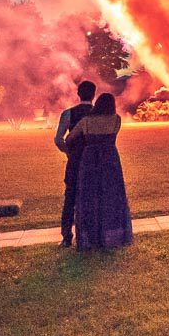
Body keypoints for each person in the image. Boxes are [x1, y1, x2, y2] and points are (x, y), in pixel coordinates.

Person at [65, 91, 133, 249]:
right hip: (110, 159)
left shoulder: (86, 121)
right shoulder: (116, 120)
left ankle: (90, 237)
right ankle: (113, 235)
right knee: (111, 196)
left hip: (89, 160)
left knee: (89, 196)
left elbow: (69, 139)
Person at [54, 80, 96, 247]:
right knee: (92, 198)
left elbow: (58, 139)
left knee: (70, 198)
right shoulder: (98, 114)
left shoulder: (68, 113)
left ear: (78, 94)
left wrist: (68, 152)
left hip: (75, 161)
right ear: (94, 94)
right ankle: (89, 233)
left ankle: (66, 236)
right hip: (93, 163)